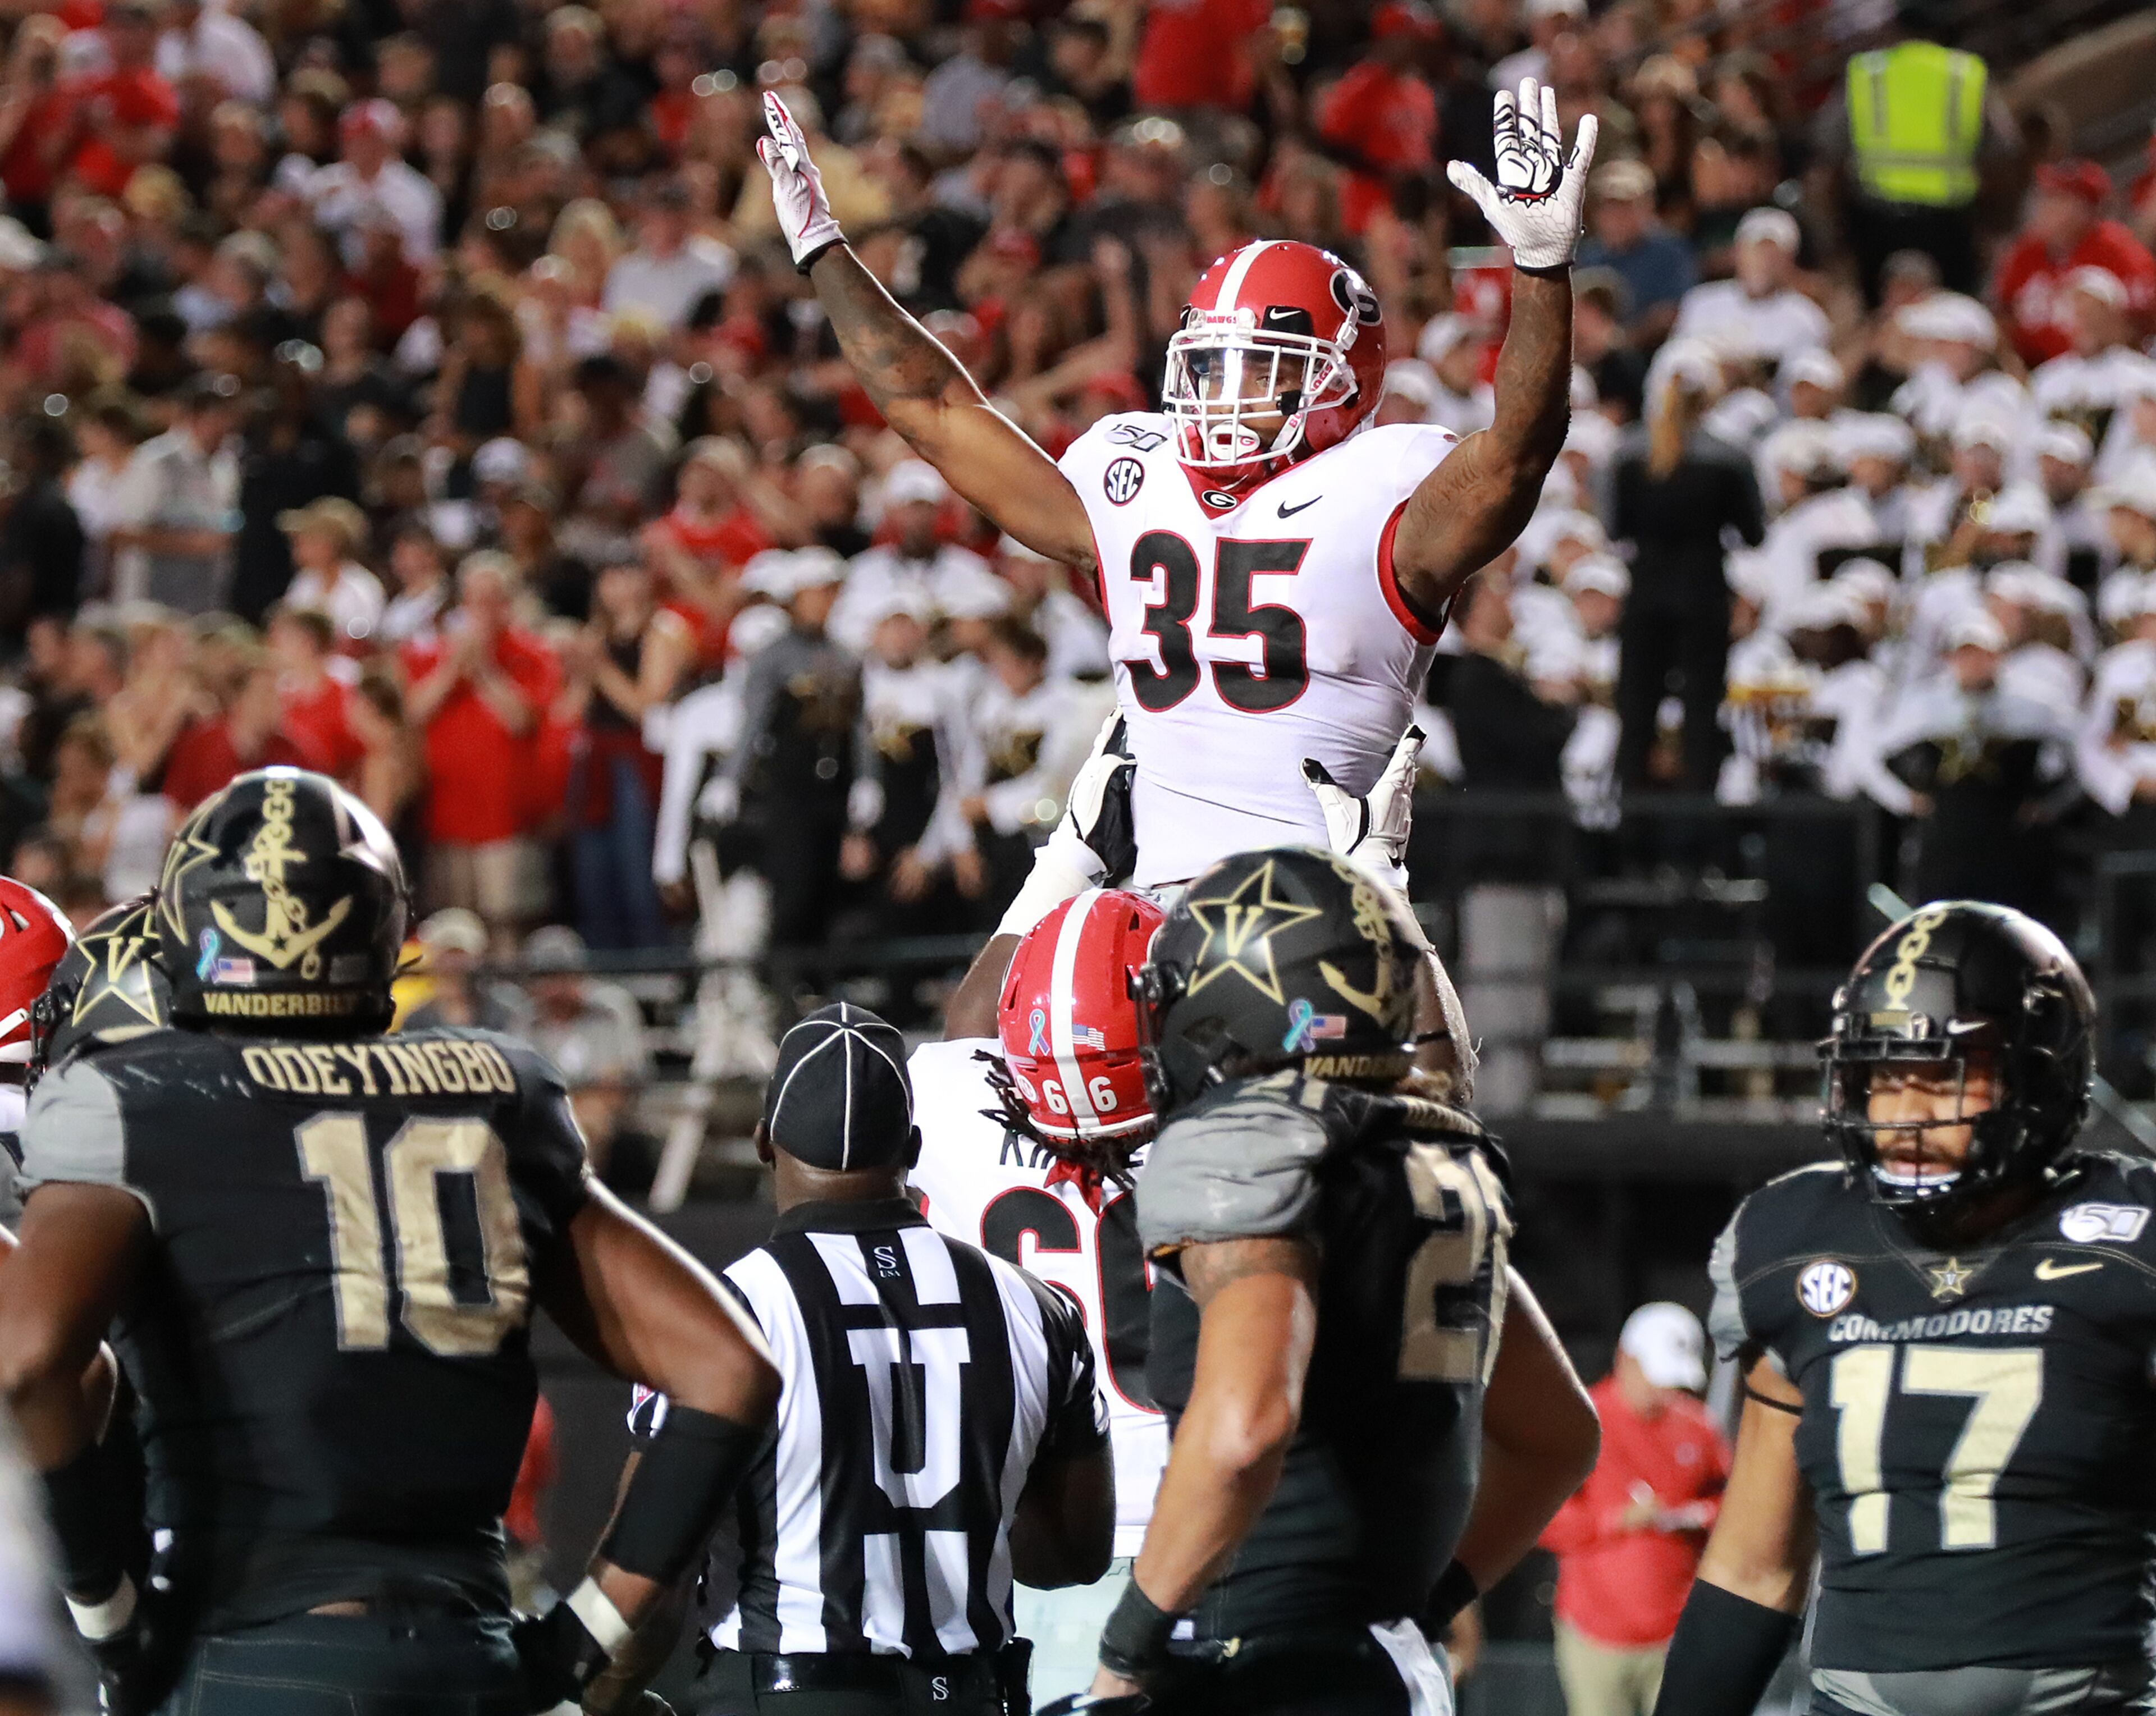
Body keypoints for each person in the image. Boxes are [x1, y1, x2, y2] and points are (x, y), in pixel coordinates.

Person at [0, 767, 779, 1716]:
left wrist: (111, 1618)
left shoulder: (136, 1095)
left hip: (247, 1657)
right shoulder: (494, 1085)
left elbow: (35, 1364)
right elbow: (727, 1366)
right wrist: (584, 1637)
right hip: (466, 1659)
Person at [759, 79, 1596, 899]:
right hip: (1134, 887)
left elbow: (1519, 451)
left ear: (1345, 383)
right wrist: (825, 250)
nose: (1225, 396)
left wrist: (1540, 267)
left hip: (1312, 900)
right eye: (1212, 366)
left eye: (1261, 370)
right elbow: (933, 410)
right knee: (976, 1031)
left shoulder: (1385, 491)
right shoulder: (1133, 473)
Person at [1072, 844, 1601, 1714]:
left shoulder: (1245, 1143)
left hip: (1263, 1666)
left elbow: (1246, 1425)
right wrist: (1416, 1612)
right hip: (1390, 1668)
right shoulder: (1433, 1153)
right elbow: (1559, 1436)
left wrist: (1128, 1648)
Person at [1654, 902, 2156, 1716]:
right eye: (1883, 1077)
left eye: (1943, 1074)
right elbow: (1755, 1565)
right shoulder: (1794, 1238)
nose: (1907, 1115)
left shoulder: (2131, 1238)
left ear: (2036, 1073)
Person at [599, 1002, 1113, 1716]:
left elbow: (646, 1579)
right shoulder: (1034, 1305)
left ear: (761, 1142)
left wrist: (604, 1700)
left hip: (789, 1693)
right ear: (913, 1147)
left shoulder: (720, 1316)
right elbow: (1072, 1557)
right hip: (972, 1696)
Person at [908, 887, 1168, 1703]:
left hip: (1059, 1539)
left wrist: (1063, 857)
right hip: (1225, 1527)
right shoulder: (1253, 1127)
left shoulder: (950, 1103)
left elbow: (967, 1026)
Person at [1538, 1304, 1730, 1716]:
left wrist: (1694, 1515)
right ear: (1626, 1358)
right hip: (1596, 1637)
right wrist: (1616, 1521)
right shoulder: (1581, 1419)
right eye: (1658, 1376)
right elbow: (1543, 1519)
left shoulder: (1699, 1426)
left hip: (1678, 1635)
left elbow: (1731, 1508)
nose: (1666, 1391)